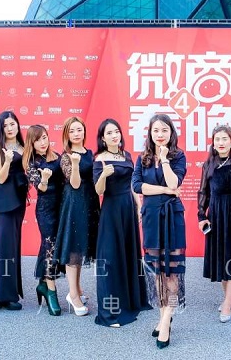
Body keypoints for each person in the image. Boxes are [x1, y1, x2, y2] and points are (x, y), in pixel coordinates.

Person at [132, 114, 187, 348]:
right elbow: (137, 186)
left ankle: (165, 321)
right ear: (150, 133)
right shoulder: (142, 158)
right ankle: (164, 315)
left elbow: (175, 183)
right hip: (152, 216)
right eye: (156, 130)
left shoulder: (178, 156)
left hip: (172, 216)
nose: (160, 134)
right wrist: (164, 189)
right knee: (156, 271)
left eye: (164, 130)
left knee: (171, 271)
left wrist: (164, 160)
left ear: (171, 132)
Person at [93, 118, 149, 328]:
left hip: (128, 208)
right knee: (110, 260)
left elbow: (132, 184)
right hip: (111, 211)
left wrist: (138, 204)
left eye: (116, 131)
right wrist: (103, 176)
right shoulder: (100, 159)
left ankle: (133, 301)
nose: (114, 135)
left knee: (130, 254)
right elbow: (99, 191)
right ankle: (110, 313)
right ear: (102, 138)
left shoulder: (126, 155)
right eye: (109, 133)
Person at [197, 125, 231, 323]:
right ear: (213, 143)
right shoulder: (208, 164)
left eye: (224, 139)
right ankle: (228, 297)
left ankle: (228, 303)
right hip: (216, 215)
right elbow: (203, 191)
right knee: (220, 258)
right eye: (217, 139)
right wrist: (201, 215)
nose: (220, 142)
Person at [0, 111, 28, 310]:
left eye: (12, 124)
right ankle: (4, 296)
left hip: (18, 199)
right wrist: (8, 161)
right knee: (5, 246)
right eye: (5, 125)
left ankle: (7, 291)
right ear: (0, 129)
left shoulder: (24, 147)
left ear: (17, 125)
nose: (10, 128)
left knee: (13, 244)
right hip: (3, 201)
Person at [54, 117, 99, 316]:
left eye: (79, 129)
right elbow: (74, 183)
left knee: (81, 246)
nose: (76, 134)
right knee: (73, 247)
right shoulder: (66, 156)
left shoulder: (89, 153)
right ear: (66, 134)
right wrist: (74, 163)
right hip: (74, 203)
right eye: (72, 131)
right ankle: (72, 295)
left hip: (89, 202)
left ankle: (78, 289)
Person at [24, 124, 64, 316]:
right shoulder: (31, 162)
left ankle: (42, 284)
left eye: (45, 137)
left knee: (54, 245)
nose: (43, 142)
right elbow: (40, 188)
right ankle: (51, 290)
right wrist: (45, 179)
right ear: (31, 143)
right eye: (38, 139)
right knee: (50, 245)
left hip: (61, 207)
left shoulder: (57, 157)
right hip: (45, 209)